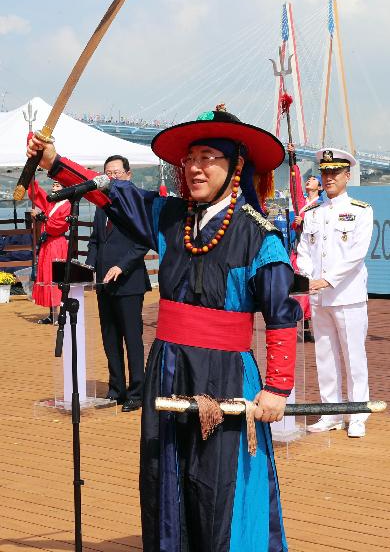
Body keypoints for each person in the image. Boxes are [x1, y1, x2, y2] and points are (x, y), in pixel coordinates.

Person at [27, 107, 302, 552]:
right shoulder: (168, 217)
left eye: (209, 157)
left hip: (227, 373)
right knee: (164, 477)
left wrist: (278, 387)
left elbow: (281, 312)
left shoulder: (261, 236)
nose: (195, 167)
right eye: (190, 157)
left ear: (235, 168)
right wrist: (54, 162)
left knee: (218, 483)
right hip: (169, 366)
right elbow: (115, 196)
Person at [297, 148, 373, 438]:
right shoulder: (313, 213)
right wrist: (306, 277)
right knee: (324, 355)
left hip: (348, 295)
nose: (328, 177)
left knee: (354, 356)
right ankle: (331, 412)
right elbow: (304, 249)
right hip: (318, 296)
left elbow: (356, 255)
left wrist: (325, 280)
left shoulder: (360, 211)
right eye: (325, 172)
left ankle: (357, 414)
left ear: (347, 175)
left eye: (335, 172)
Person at [86, 155, 151, 412]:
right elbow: (94, 241)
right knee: (110, 338)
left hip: (129, 282)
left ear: (128, 174)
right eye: (108, 173)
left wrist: (121, 267)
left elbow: (142, 242)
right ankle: (116, 389)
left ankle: (137, 392)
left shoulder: (136, 205)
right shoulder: (103, 205)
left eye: (116, 173)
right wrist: (89, 266)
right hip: (104, 283)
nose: (112, 177)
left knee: (132, 339)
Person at [287, 142, 323, 342]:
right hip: (301, 248)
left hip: (313, 248)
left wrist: (304, 222)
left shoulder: (321, 205)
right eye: (307, 178)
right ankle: (303, 322)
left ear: (319, 187)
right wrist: (292, 159)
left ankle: (314, 324)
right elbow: (294, 187)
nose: (308, 181)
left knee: (313, 284)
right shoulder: (302, 203)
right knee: (299, 283)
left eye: (312, 179)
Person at [28, 179, 71, 324]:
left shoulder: (67, 205)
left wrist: (41, 217)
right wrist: (32, 183)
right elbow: (38, 196)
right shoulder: (52, 203)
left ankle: (61, 314)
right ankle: (52, 315)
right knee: (47, 277)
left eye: (58, 184)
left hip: (57, 244)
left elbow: (60, 225)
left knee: (56, 277)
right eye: (53, 184)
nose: (54, 186)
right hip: (48, 244)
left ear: (65, 188)